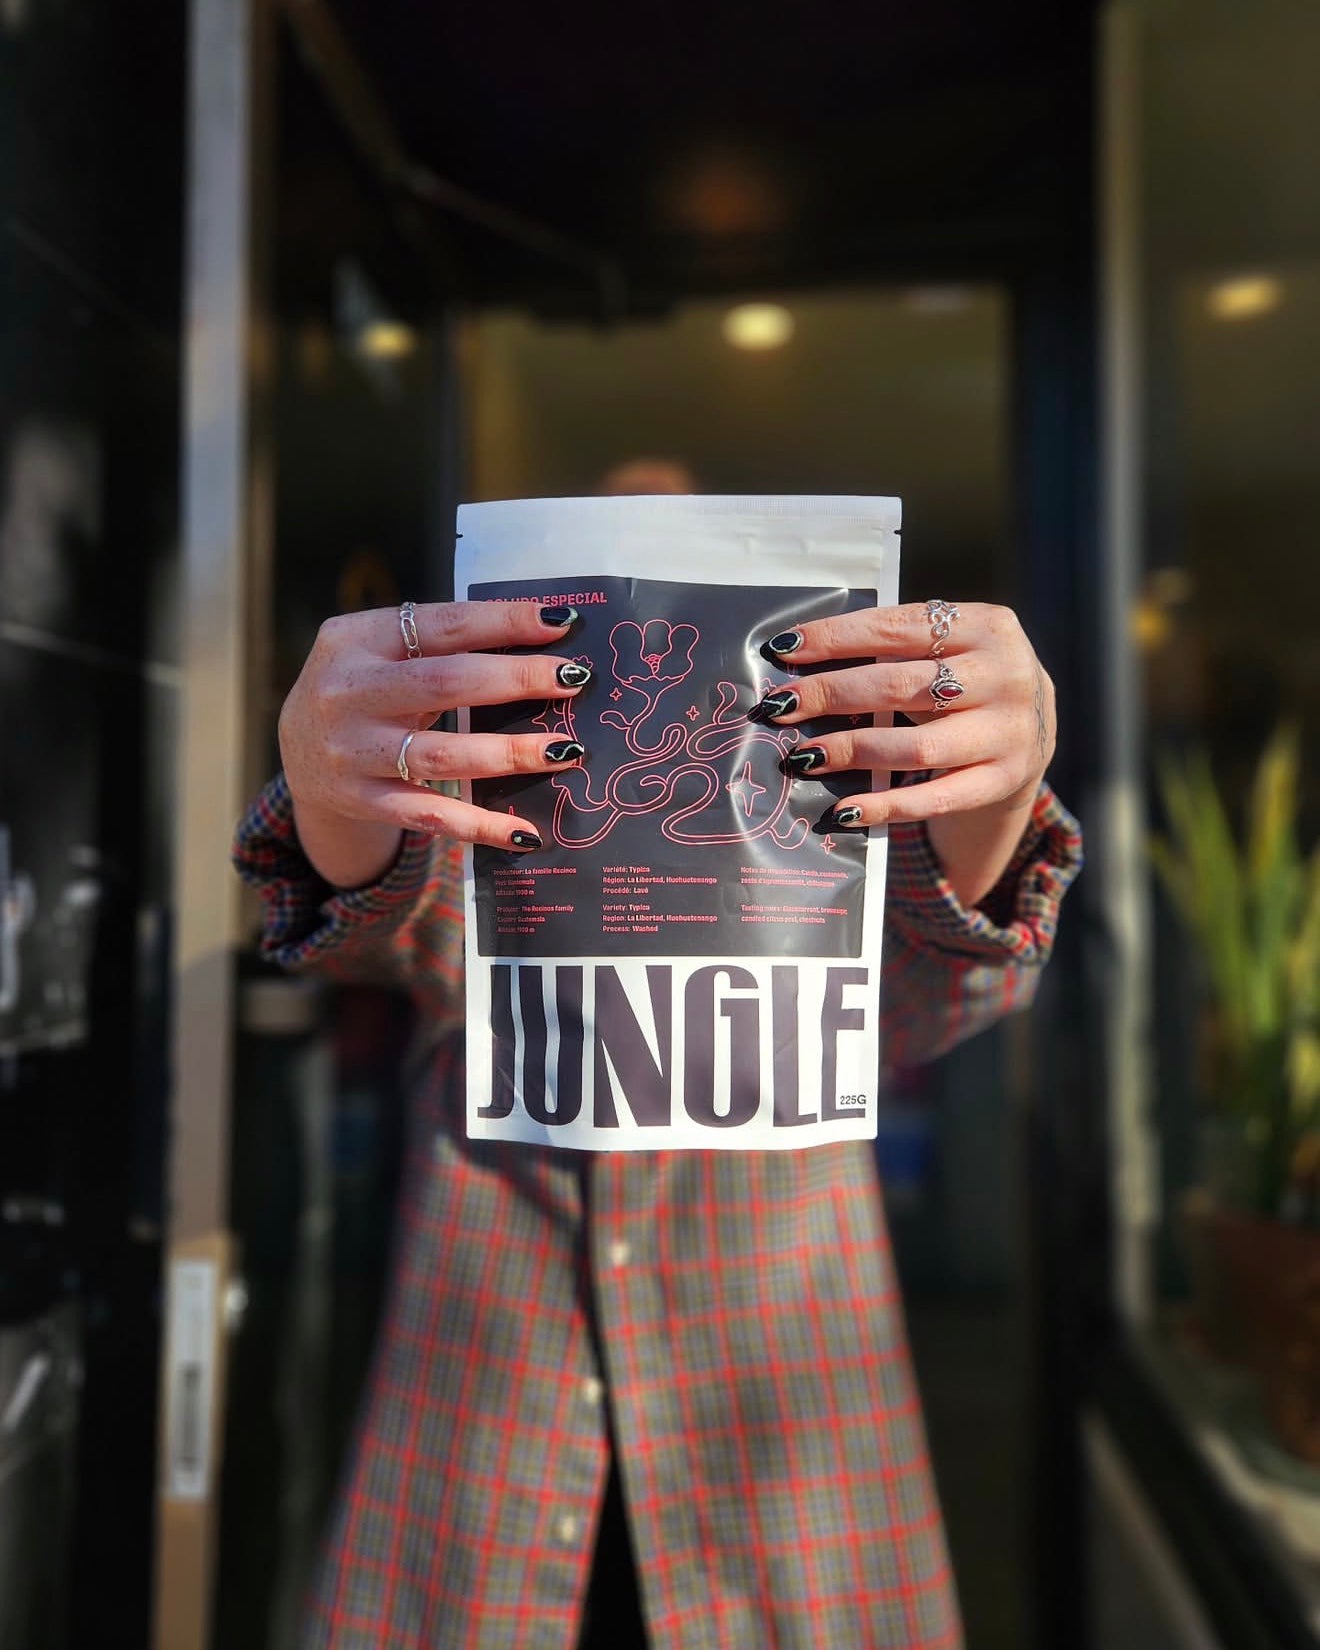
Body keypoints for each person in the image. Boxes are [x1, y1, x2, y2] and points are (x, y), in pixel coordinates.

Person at [234, 590, 1082, 1650]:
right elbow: (392, 932)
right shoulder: (495, 764)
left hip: (790, 1492)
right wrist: (335, 780)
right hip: (480, 1474)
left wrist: (997, 790)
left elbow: (920, 994)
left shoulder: (820, 780)